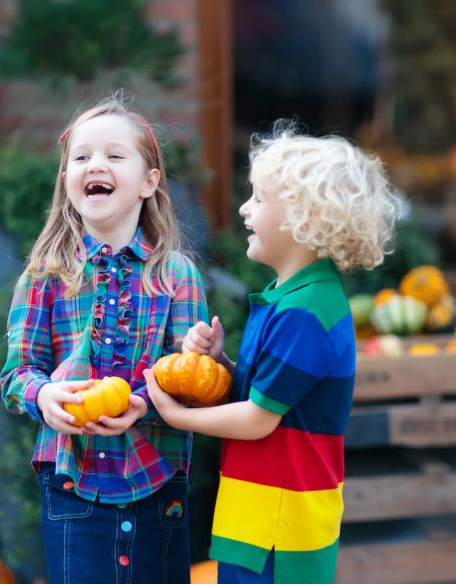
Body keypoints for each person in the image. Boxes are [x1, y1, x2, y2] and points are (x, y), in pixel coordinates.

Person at [145, 121, 400, 584]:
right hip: (264, 512)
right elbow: (274, 394)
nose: (244, 208)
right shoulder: (289, 297)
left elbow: (260, 419)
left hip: (281, 526)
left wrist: (175, 415)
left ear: (310, 218)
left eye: (259, 199)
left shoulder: (306, 311)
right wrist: (223, 367)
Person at [0, 93, 208, 583]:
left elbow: (190, 380)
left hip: (158, 481)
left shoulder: (177, 275)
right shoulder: (45, 276)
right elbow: (15, 374)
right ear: (67, 179)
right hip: (72, 484)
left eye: (115, 156)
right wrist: (43, 394)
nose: (97, 164)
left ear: (149, 182)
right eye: (82, 157)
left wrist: (143, 402)